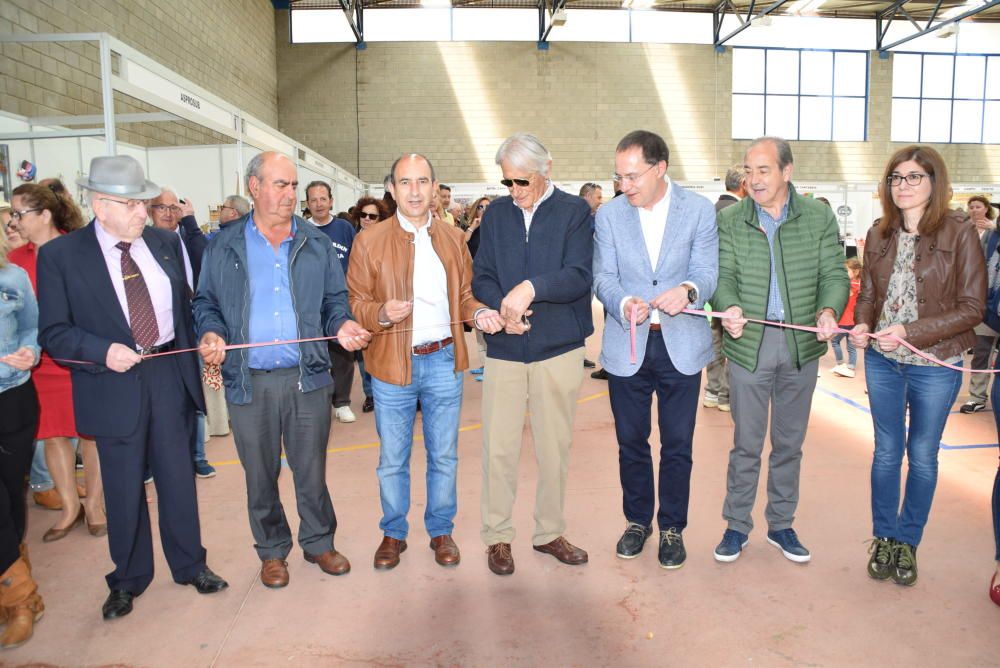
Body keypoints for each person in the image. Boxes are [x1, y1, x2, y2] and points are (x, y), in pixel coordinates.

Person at [37, 155, 227, 620]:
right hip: (111, 382)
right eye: (133, 205)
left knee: (179, 480)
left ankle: (190, 564)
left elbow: (190, 303)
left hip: (167, 373)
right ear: (101, 206)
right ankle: (127, 578)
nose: (145, 213)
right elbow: (55, 333)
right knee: (123, 489)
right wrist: (103, 351)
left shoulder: (164, 243)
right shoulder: (62, 256)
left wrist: (203, 333)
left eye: (144, 203)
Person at [194, 151, 371, 589]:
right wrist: (211, 332)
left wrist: (343, 324)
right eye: (280, 184)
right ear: (254, 187)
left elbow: (334, 302)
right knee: (260, 472)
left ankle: (318, 541)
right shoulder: (224, 244)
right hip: (248, 380)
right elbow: (205, 303)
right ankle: (272, 551)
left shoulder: (315, 244)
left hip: (306, 376)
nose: (290, 194)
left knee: (311, 468)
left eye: (293, 185)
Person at [348, 154, 502, 570]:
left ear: (434, 188)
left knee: (445, 455)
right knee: (392, 458)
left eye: (422, 182)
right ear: (392, 189)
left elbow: (466, 295)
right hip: (390, 366)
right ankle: (393, 533)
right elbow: (355, 302)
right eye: (405, 182)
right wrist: (381, 313)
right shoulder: (369, 241)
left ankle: (440, 530)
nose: (414, 191)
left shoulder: (453, 240)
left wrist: (479, 312)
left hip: (443, 361)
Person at [849, 145, 985, 587]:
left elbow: (972, 308)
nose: (903, 186)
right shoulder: (880, 231)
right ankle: (884, 536)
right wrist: (863, 324)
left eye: (913, 177)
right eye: (896, 178)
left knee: (922, 456)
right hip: (884, 361)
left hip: (936, 361)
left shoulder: (959, 231)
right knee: (886, 453)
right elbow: (869, 293)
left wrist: (910, 330)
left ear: (934, 182)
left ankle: (908, 541)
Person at [712, 136, 848, 564]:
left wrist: (829, 309)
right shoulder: (731, 219)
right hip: (748, 343)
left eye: (763, 170)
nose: (753, 180)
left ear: (787, 172)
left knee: (789, 443)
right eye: (749, 171)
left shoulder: (819, 217)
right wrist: (727, 305)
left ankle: (782, 524)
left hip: (800, 345)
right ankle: (736, 525)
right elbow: (722, 275)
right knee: (746, 444)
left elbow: (834, 274)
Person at [593, 130, 717, 569]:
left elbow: (706, 272)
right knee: (631, 440)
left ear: (660, 168)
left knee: (678, 442)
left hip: (680, 343)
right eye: (619, 177)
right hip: (628, 344)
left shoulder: (699, 211)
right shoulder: (609, 217)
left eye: (632, 176)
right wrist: (623, 303)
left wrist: (687, 289)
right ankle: (636, 521)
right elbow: (603, 277)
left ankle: (671, 527)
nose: (624, 185)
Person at [473, 133, 593, 576]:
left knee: (553, 448)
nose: (514, 192)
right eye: (507, 183)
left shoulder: (575, 212)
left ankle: (548, 533)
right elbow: (481, 274)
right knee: (498, 449)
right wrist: (496, 309)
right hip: (505, 349)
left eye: (522, 182)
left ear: (547, 171)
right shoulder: (498, 215)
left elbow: (579, 275)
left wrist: (531, 289)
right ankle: (497, 537)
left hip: (557, 348)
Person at [9, 183, 107, 540]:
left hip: (79, 358)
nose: (14, 221)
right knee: (52, 437)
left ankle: (95, 505)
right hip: (38, 365)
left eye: (20, 213)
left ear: (45, 215)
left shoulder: (81, 249)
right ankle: (69, 508)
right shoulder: (16, 262)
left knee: (91, 436)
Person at [147, 188, 217, 478]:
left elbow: (205, 260)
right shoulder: (143, 245)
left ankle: (198, 456)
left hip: (192, 325)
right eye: (160, 207)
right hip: (157, 334)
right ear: (149, 211)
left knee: (193, 393)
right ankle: (151, 462)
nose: (167, 212)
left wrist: (190, 223)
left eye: (173, 207)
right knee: (154, 401)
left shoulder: (190, 239)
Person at [0, 228, 43, 648]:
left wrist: (30, 351)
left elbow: (33, 328)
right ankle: (20, 598)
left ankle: (13, 586)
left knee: (12, 497)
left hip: (13, 396)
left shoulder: (13, 279)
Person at [306, 181, 359, 424]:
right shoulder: (301, 230)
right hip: (311, 302)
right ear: (307, 204)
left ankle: (342, 402)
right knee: (313, 352)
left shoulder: (344, 228)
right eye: (313, 200)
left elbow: (357, 260)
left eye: (322, 199)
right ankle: (317, 402)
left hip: (341, 300)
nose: (318, 204)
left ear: (331, 201)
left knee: (342, 353)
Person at [703, 165, 747, 412]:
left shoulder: (711, 209)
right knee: (735, 336)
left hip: (712, 287)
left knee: (716, 334)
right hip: (735, 288)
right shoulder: (738, 212)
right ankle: (726, 394)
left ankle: (712, 389)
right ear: (743, 184)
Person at [349, 197, 389, 413]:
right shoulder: (352, 240)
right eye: (363, 215)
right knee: (364, 351)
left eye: (372, 216)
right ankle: (371, 394)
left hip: (384, 305)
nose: (367, 219)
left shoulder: (387, 242)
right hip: (360, 305)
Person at [960, 195, 999, 414]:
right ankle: (977, 396)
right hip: (988, 306)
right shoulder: (988, 236)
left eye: (978, 206)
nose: (975, 210)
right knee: (982, 351)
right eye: (971, 207)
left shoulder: (992, 231)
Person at [464, 196, 491, 381]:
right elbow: (460, 244)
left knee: (489, 324)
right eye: (480, 207)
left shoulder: (495, 229)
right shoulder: (471, 229)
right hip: (472, 284)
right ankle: (484, 364)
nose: (483, 209)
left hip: (488, 283)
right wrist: (473, 226)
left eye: (487, 207)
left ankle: (491, 367)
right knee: (478, 327)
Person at [830, 257, 862, 378]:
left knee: (834, 341)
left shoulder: (849, 285)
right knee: (851, 345)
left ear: (855, 272)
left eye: (846, 270)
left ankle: (840, 364)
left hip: (844, 321)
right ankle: (851, 366)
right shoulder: (859, 285)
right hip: (853, 321)